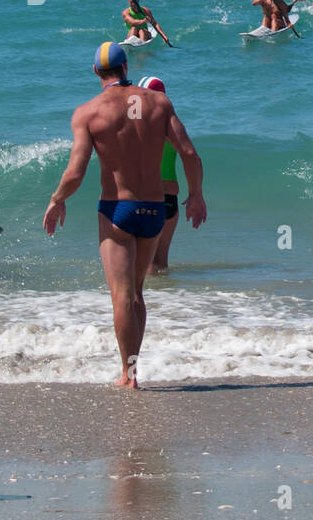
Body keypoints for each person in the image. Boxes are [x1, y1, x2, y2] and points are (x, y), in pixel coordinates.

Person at [43, 43, 206, 388]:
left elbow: (75, 172)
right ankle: (133, 372)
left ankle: (128, 376)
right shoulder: (159, 103)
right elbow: (189, 153)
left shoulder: (88, 112)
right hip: (155, 210)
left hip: (117, 209)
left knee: (121, 296)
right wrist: (195, 196)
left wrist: (57, 200)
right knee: (137, 293)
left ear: (95, 72)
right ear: (127, 66)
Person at [137, 76, 180, 274]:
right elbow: (190, 155)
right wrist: (196, 193)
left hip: (148, 197)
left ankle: (154, 302)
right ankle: (167, 299)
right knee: (161, 261)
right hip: (171, 198)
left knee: (145, 263)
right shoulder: (173, 125)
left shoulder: (138, 127)